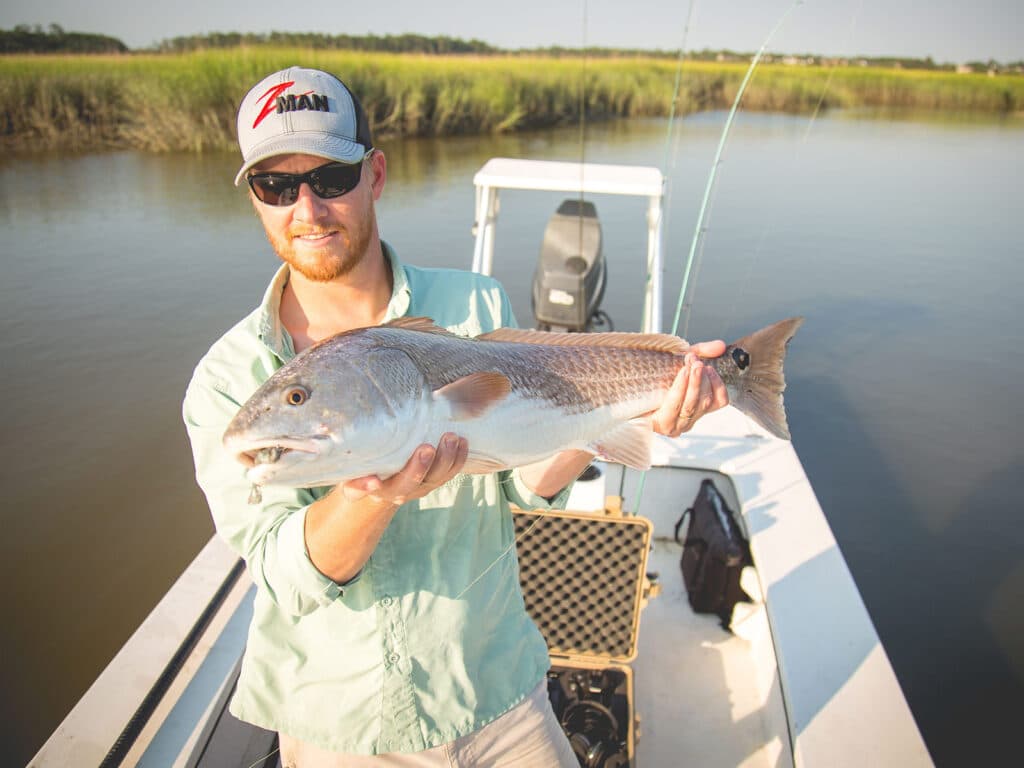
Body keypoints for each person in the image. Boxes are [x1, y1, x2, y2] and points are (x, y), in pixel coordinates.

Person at [183, 65, 729, 767]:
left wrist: (626, 416)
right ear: (254, 197)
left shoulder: (472, 306)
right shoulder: (227, 381)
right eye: (277, 186)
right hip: (338, 725)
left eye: (330, 179)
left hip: (496, 695)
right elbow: (284, 575)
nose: (307, 210)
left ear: (374, 175)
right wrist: (370, 496)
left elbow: (521, 484)